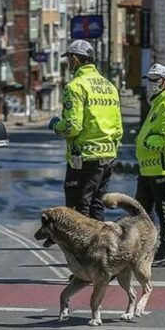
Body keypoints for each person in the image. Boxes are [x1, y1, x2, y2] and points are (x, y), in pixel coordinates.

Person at [48, 40, 123, 221]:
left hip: (84, 158)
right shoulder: (110, 87)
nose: (68, 64)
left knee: (78, 207)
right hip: (108, 157)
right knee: (97, 204)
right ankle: (101, 247)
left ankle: (83, 248)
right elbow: (119, 128)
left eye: (69, 60)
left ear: (75, 59)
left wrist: (56, 125)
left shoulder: (75, 86)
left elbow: (72, 127)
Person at [135, 63, 165, 268]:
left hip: (162, 168)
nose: (150, 84)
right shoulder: (158, 103)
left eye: (154, 80)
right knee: (141, 211)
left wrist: (147, 142)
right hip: (148, 168)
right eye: (149, 79)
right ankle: (141, 248)